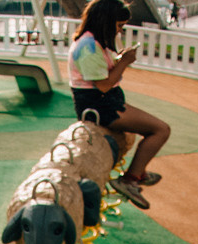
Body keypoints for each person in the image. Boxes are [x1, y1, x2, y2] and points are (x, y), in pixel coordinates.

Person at [68, 0, 172, 208]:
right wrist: (124, 62)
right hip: (100, 106)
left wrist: (119, 60)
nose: (119, 31)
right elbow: (103, 85)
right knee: (160, 130)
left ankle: (137, 173)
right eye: (118, 26)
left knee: (158, 128)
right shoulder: (87, 46)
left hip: (107, 101)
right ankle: (131, 179)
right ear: (106, 22)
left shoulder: (94, 42)